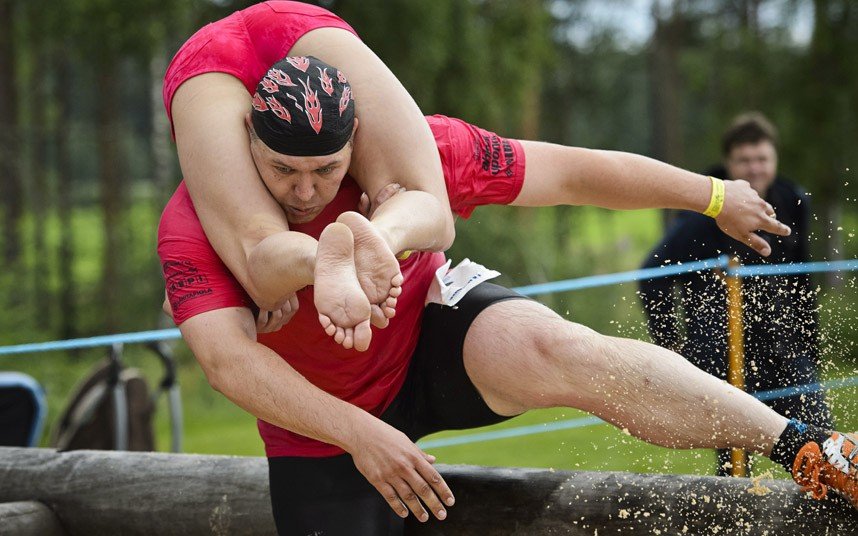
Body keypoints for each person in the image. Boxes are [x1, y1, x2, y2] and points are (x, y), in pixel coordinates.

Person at [159, 55, 858, 536]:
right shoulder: (198, 219)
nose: (306, 192)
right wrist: (359, 434)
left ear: (359, 142)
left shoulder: (416, 150)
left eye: (327, 170)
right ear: (247, 140)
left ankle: (810, 449)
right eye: (284, 170)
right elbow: (227, 363)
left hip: (434, 333)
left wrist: (711, 196)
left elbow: (573, 174)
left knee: (560, 345)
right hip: (320, 427)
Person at [638, 112, 834, 476]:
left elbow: (801, 279)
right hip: (725, 354)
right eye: (745, 160)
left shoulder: (792, 201)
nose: (755, 168)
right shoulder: (702, 213)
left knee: (825, 445)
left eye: (762, 158)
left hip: (784, 348)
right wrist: (673, 347)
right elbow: (652, 275)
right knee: (734, 468)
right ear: (729, 164)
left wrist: (810, 343)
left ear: (774, 158)